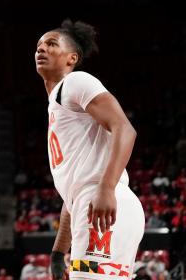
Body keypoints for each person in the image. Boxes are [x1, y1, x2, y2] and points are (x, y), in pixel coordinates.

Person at [36, 20, 144, 280]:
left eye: (51, 44)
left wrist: (106, 188)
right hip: (94, 205)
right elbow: (71, 198)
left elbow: (125, 129)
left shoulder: (75, 81)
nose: (41, 49)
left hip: (104, 203)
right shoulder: (57, 105)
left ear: (72, 58)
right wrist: (58, 251)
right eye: (38, 45)